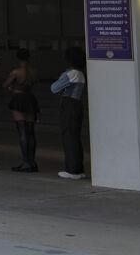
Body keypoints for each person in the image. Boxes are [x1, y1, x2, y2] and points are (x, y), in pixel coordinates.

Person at [50, 47, 87, 180]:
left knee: (69, 136)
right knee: (74, 137)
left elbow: (54, 88)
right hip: (76, 105)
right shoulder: (80, 73)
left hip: (69, 105)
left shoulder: (72, 73)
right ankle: (78, 168)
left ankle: (72, 170)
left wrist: (63, 75)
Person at [3, 48, 40, 172]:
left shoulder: (16, 72)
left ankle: (25, 162)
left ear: (18, 58)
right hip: (30, 98)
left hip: (19, 98)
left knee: (22, 130)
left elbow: (5, 85)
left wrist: (12, 88)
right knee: (31, 131)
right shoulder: (34, 71)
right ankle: (32, 161)